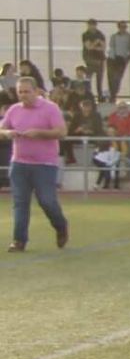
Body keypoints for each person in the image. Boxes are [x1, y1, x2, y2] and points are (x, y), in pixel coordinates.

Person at [2, 77, 70, 252]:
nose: (23, 95)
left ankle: (60, 225)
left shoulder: (50, 108)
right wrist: (7, 133)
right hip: (19, 163)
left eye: (27, 91)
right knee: (20, 202)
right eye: (20, 92)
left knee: (47, 201)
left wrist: (39, 133)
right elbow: (1, 129)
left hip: (44, 164)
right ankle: (19, 240)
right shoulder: (14, 110)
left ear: (36, 91)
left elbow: (62, 132)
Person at [107, 23, 130, 103]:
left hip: (121, 59)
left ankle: (114, 94)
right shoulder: (114, 36)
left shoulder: (129, 37)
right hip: (112, 59)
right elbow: (111, 47)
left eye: (124, 27)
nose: (123, 28)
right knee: (111, 78)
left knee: (117, 78)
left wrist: (127, 58)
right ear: (118, 27)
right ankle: (112, 95)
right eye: (121, 27)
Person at [80, 19, 107, 98]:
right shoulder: (86, 35)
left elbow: (103, 47)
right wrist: (96, 42)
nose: (91, 27)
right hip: (89, 57)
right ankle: (88, 94)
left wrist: (94, 46)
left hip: (100, 58)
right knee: (88, 77)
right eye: (90, 25)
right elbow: (88, 47)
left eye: (93, 25)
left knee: (99, 78)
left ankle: (100, 95)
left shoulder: (100, 34)